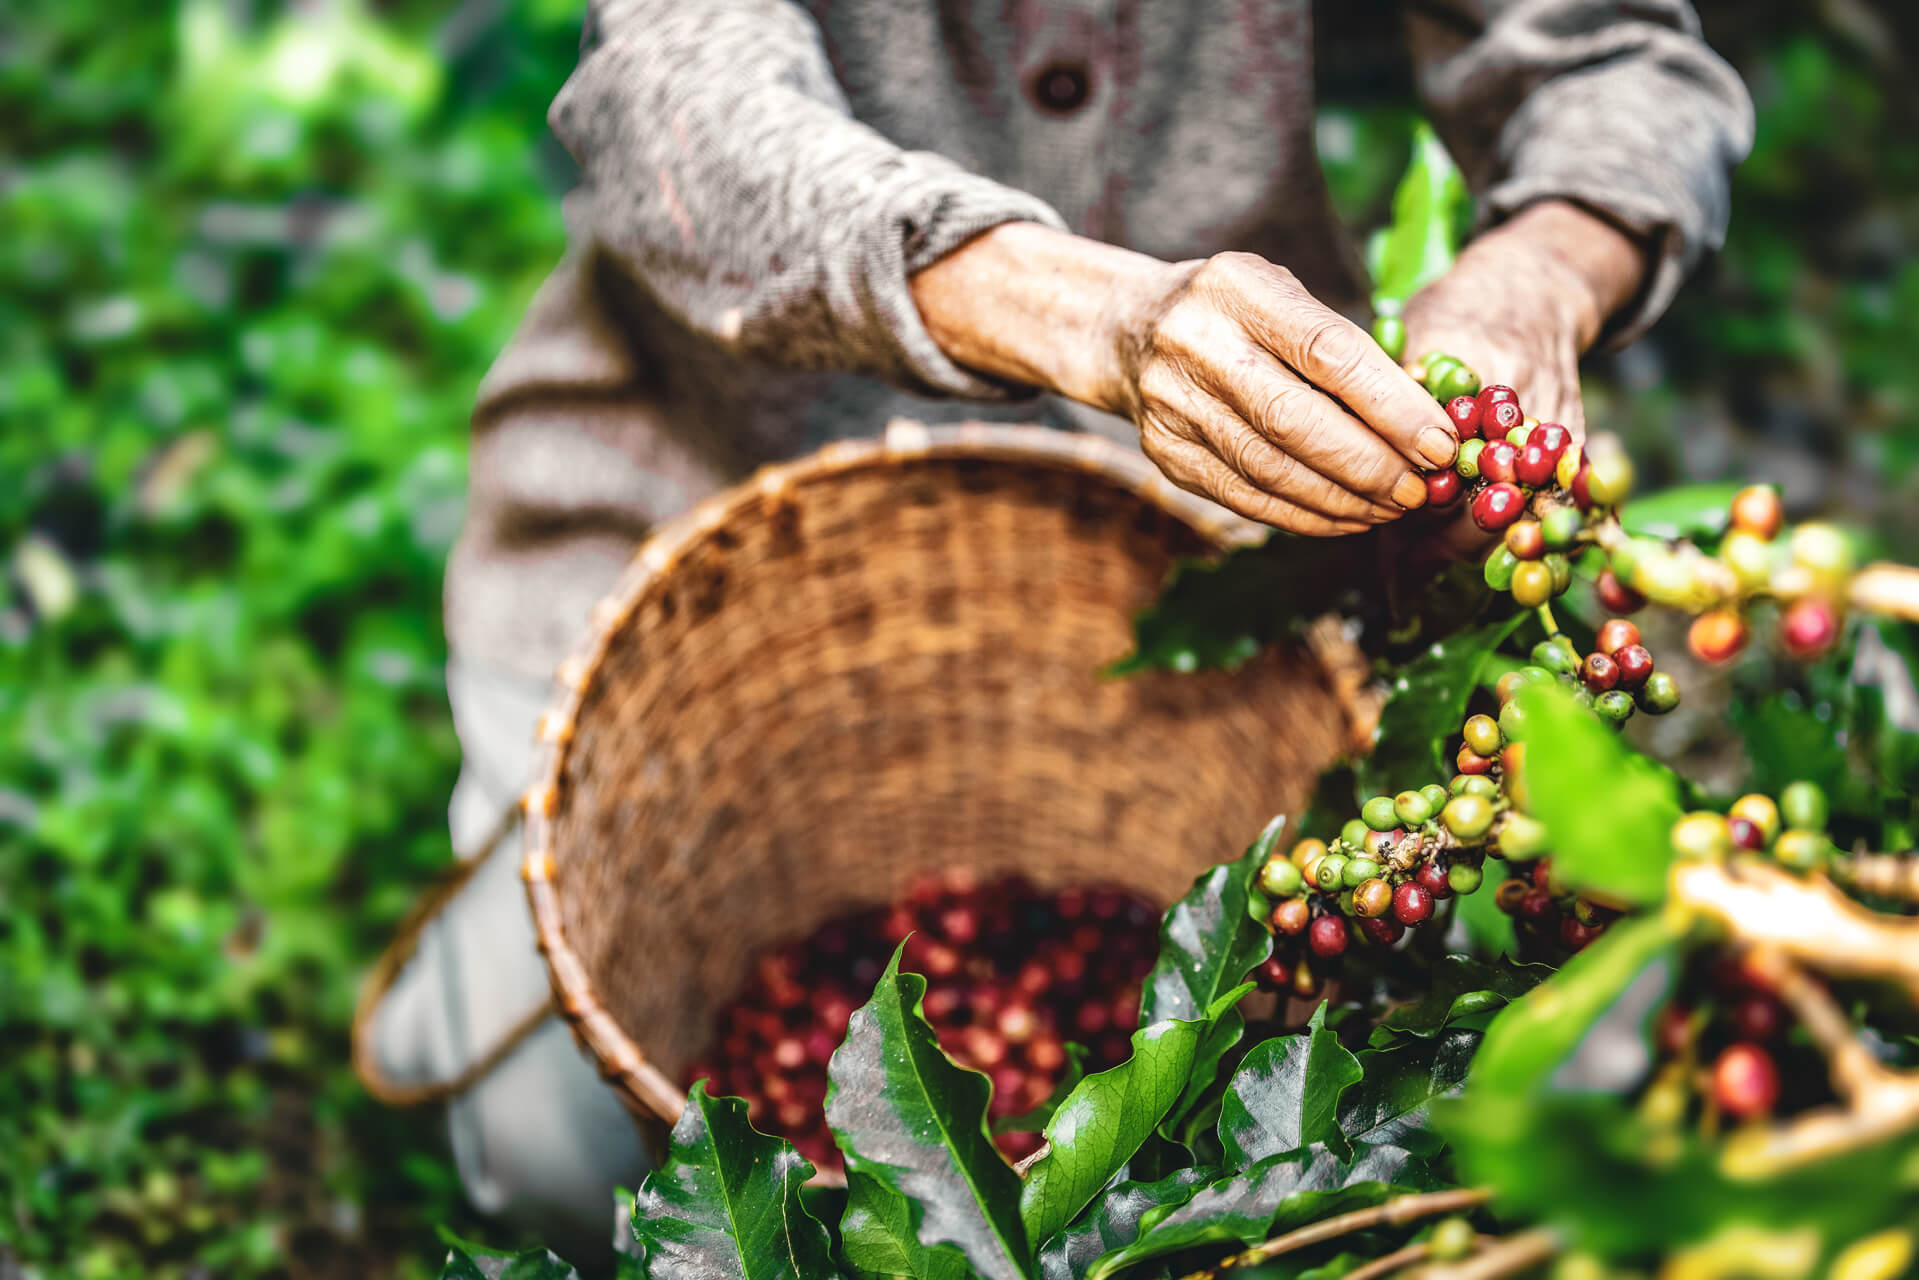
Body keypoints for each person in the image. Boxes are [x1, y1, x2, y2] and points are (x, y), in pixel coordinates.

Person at [366, 0, 1752, 1259]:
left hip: (1203, 528)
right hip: (684, 488)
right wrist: (1101, 314)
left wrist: (1534, 279)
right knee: (551, 1159)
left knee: (1341, 1041)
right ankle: (477, 962)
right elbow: (678, 110)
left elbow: (1623, 64)